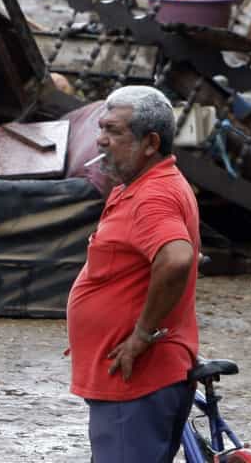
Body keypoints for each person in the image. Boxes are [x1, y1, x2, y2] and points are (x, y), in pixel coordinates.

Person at [66, 86, 201, 463]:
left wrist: (142, 334)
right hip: (130, 381)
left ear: (150, 142)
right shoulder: (138, 187)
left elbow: (176, 259)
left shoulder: (153, 196)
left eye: (114, 131)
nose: (101, 140)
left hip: (136, 379)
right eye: (101, 128)